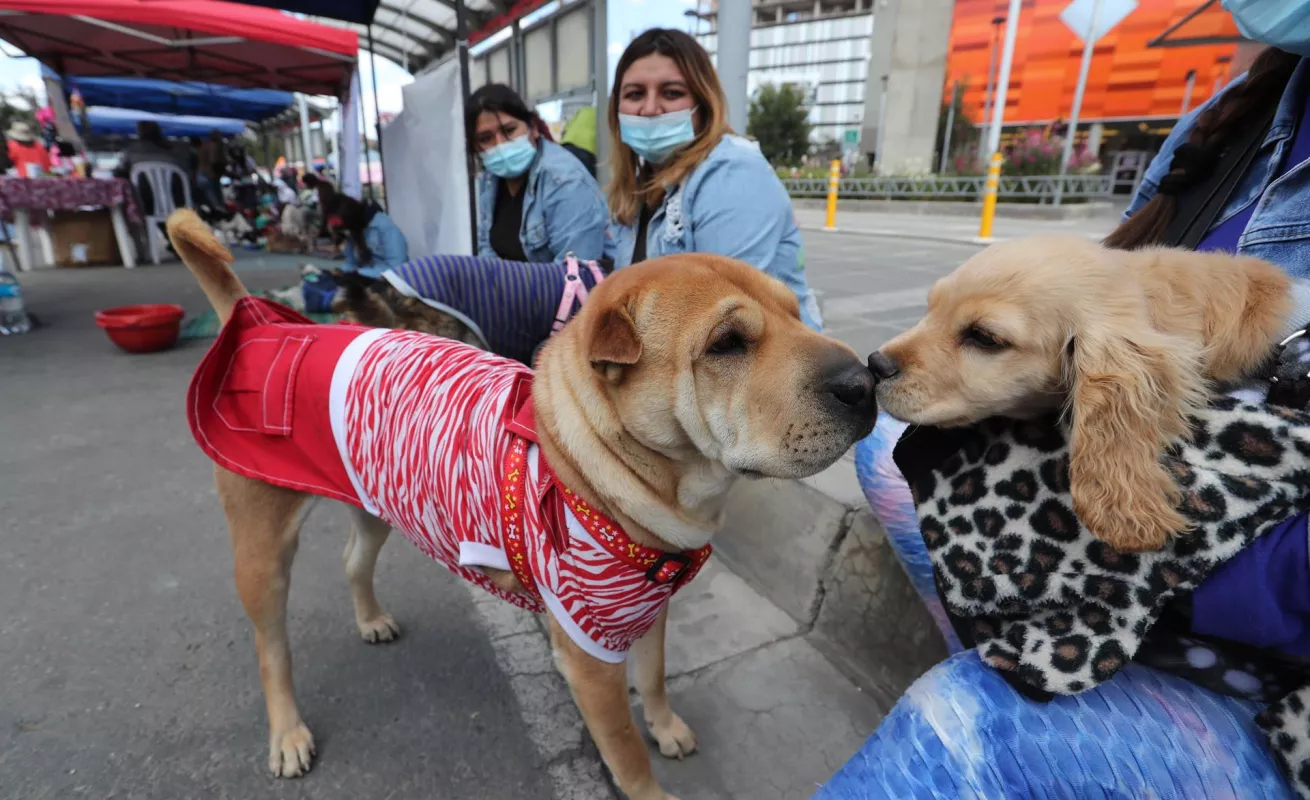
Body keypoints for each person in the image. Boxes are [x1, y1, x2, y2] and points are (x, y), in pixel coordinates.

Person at [850, 16, 1310, 797]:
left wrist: (1141, 571)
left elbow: (1129, 494)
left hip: (1274, 674)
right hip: (1136, 536)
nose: (891, 355)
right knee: (888, 445)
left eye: (982, 337)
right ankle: (1002, 640)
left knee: (964, 719)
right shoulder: (1238, 112)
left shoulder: (1121, 367)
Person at [604, 28, 823, 331]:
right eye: (635, 94)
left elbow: (728, 325)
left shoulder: (732, 173)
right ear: (616, 108)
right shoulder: (639, 187)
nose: (650, 108)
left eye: (672, 93)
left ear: (703, 104)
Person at [467, 83, 607, 262]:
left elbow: (575, 272)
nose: (500, 144)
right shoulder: (489, 181)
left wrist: (502, 277)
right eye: (486, 138)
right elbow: (486, 250)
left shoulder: (565, 181)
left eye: (509, 130)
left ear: (532, 127)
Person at [327, 194, 408, 278]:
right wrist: (340, 270)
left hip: (388, 281)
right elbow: (351, 263)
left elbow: (396, 269)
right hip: (365, 278)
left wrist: (359, 273)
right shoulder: (355, 229)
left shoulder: (385, 228)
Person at [195, 130, 227, 209]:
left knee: (204, 200)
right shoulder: (213, 145)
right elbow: (213, 160)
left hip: (199, 174)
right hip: (208, 175)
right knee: (216, 203)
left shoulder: (203, 145)